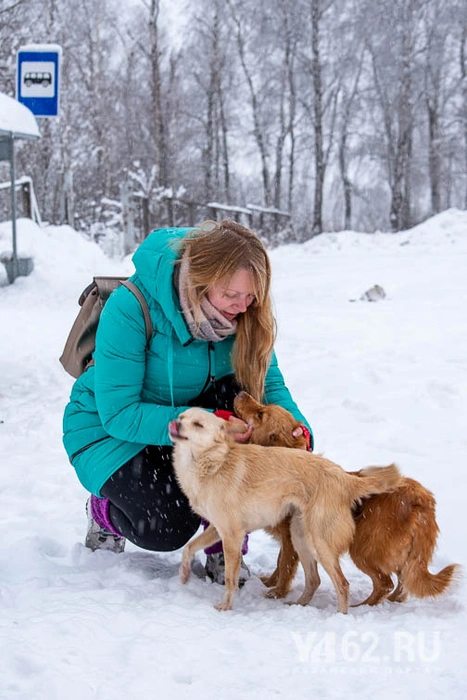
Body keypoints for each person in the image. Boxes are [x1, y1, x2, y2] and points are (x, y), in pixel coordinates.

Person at [62, 219, 312, 584]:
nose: (243, 306)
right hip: (114, 433)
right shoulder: (132, 308)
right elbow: (119, 414)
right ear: (202, 279)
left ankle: (223, 548)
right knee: (164, 527)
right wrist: (210, 426)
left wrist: (296, 431)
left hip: (192, 429)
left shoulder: (246, 315)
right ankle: (103, 512)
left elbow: (268, 385)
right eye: (232, 295)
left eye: (251, 295)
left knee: (243, 399)